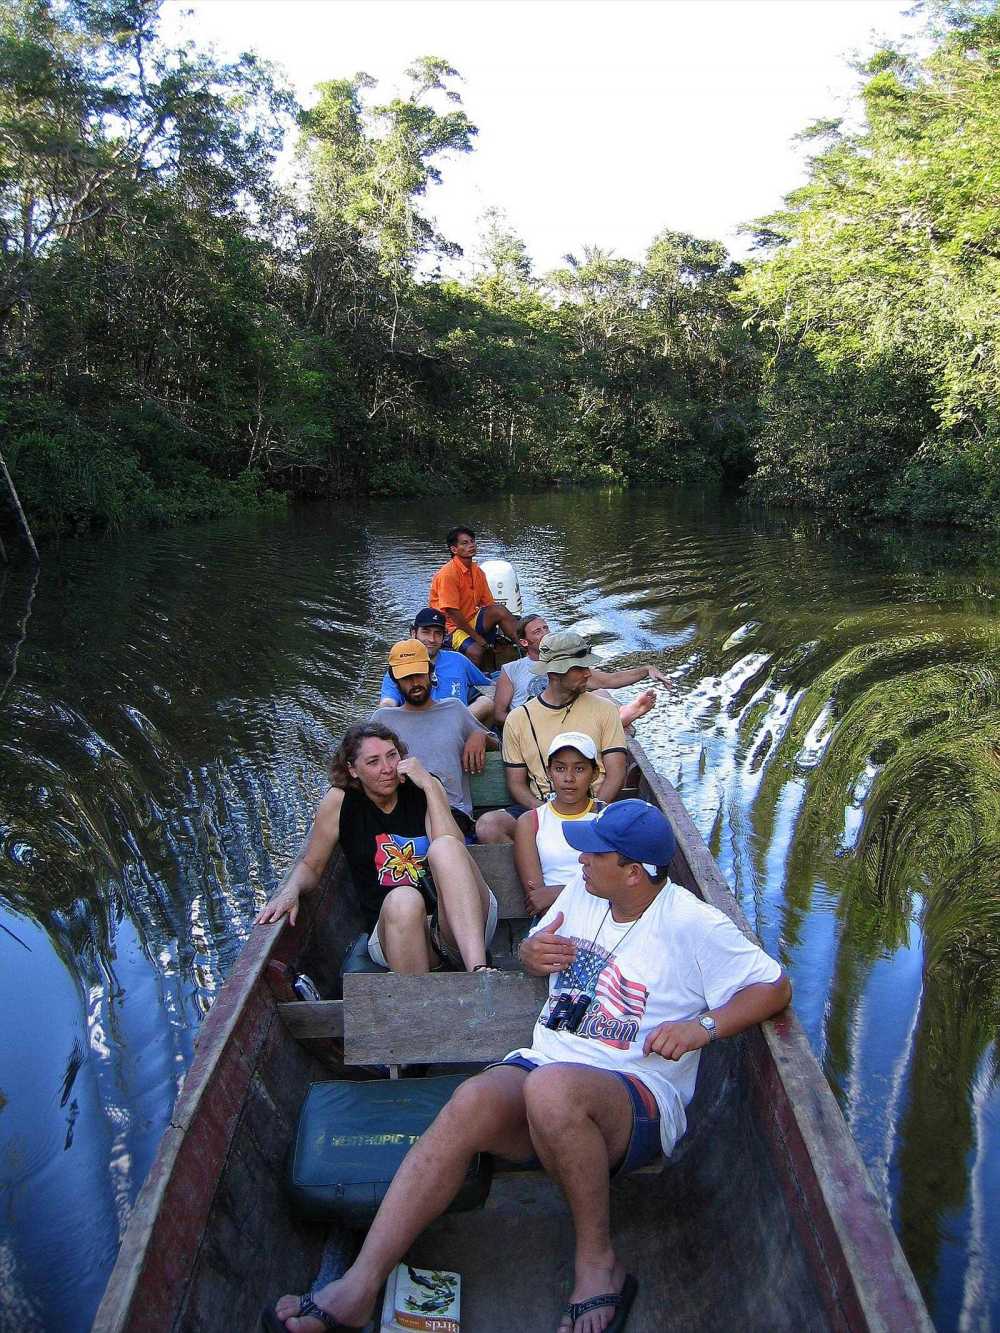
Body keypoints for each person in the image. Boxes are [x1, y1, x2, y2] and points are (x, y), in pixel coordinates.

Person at [266, 800, 791, 1333]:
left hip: (637, 1093)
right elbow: (537, 947)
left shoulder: (691, 923)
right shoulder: (587, 893)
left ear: (634, 871)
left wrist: (701, 1028)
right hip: (546, 1065)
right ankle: (359, 1284)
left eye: (595, 851)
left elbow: (774, 987)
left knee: (552, 1090)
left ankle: (598, 1266)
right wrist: (532, 954)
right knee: (470, 1100)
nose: (579, 857)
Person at [255, 723, 497, 972]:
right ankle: (420, 1001)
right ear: (352, 769)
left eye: (392, 756)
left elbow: (455, 848)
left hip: (461, 922)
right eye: (373, 762)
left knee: (444, 846)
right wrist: (290, 889)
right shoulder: (340, 802)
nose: (387, 769)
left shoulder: (421, 788)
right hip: (398, 933)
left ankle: (478, 971)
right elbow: (311, 865)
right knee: (404, 899)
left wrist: (430, 786)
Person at [477, 632, 629, 844]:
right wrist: (547, 813)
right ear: (555, 673)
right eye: (579, 668)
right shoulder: (519, 719)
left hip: (596, 807)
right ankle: (534, 866)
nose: (588, 674)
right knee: (488, 825)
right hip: (542, 808)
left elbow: (616, 773)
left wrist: (592, 810)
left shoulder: (605, 710)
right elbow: (516, 784)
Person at [370, 639, 507, 844]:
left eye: (418, 674)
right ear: (395, 681)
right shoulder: (383, 720)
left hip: (452, 814)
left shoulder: (454, 709)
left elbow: (499, 745)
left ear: (430, 672)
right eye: (406, 678)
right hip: (403, 816)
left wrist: (479, 735)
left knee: (442, 844)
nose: (414, 683)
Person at [494, 613, 671, 729]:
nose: (545, 634)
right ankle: (618, 720)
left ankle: (620, 716)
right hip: (529, 721)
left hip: (566, 717)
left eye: (546, 628)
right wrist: (523, 724)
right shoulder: (511, 669)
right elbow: (499, 713)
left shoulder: (568, 663)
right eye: (537, 632)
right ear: (525, 642)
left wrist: (647, 670)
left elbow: (610, 679)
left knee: (600, 692)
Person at [514, 731, 605, 918]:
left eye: (579, 769)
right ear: (549, 772)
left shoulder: (608, 817)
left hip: (602, 916)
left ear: (594, 773)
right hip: (554, 917)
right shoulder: (531, 821)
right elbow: (538, 898)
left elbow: (616, 888)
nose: (569, 778)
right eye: (560, 769)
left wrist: (559, 892)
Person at [378, 607, 494, 724]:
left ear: (444, 636)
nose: (432, 639)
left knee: (486, 702)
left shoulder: (458, 660)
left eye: (438, 633)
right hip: (419, 726)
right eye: (426, 632)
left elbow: (488, 685)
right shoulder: (400, 668)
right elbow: (388, 702)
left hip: (458, 726)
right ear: (413, 633)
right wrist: (386, 711)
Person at [428, 525, 520, 666]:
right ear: (454, 549)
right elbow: (453, 613)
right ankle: (477, 684)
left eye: (472, 541)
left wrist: (496, 635)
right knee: (476, 651)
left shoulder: (477, 571)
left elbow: (489, 604)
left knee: (499, 610)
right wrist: (478, 638)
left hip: (471, 618)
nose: (471, 545)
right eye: (465, 543)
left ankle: (524, 645)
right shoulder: (448, 574)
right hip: (450, 626)